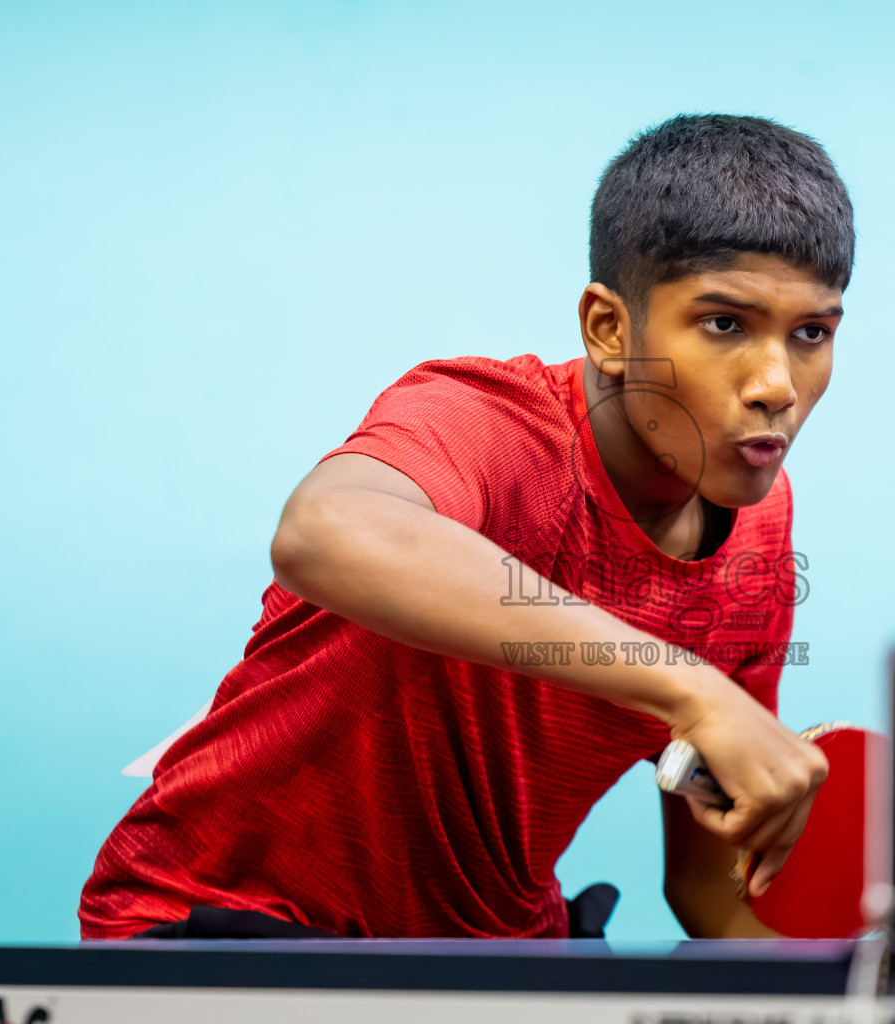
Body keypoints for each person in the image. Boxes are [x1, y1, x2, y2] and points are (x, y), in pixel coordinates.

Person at [79, 113, 854, 940]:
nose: (776, 383)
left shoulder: (759, 528)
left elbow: (709, 891)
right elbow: (327, 531)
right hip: (237, 923)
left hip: (492, 958)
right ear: (609, 329)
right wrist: (689, 685)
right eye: (724, 324)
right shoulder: (484, 423)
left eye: (811, 333)